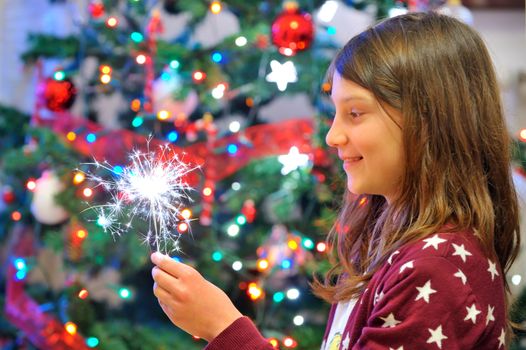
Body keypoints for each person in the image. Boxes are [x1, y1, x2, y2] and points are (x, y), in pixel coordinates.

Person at [150, 12, 521, 349]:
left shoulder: (437, 270)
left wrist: (224, 328)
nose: (333, 137)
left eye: (355, 113)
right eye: (335, 114)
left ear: (428, 121)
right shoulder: (390, 237)